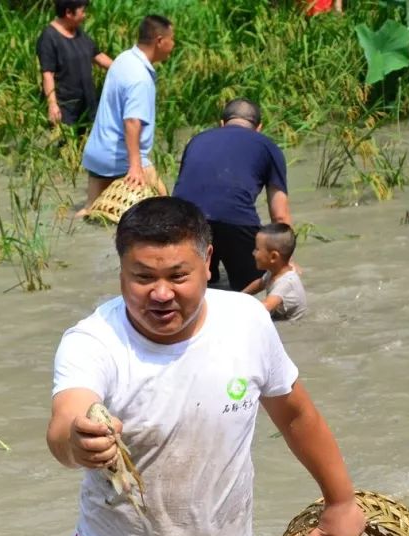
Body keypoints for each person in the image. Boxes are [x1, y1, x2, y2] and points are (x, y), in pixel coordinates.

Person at [46, 197, 365, 536]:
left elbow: (296, 414)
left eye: (178, 275)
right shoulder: (94, 341)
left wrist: (341, 500)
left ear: (208, 260)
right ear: (121, 269)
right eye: (142, 276)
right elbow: (66, 420)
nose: (160, 293)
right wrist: (78, 441)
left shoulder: (245, 323)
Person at [172, 98, 291, 291]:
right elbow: (280, 216)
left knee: (197, 286)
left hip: (185, 221)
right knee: (259, 287)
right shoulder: (268, 146)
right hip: (236, 222)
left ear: (222, 124)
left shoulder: (196, 140)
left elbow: (186, 188)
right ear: (258, 127)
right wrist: (285, 263)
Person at [79, 15, 174, 214]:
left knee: (91, 212)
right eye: (171, 39)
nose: (173, 45)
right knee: (169, 210)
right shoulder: (140, 77)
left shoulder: (123, 59)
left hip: (98, 153)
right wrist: (135, 166)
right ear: (159, 41)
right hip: (122, 158)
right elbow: (132, 121)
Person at [36, 0, 112, 131]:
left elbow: (98, 56)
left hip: (87, 106)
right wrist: (53, 105)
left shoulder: (79, 33)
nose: (85, 15)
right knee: (66, 147)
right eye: (82, 11)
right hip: (66, 109)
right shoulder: (49, 37)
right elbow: (48, 74)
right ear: (69, 13)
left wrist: (123, 67)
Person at [240, 223, 307, 321]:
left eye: (257, 249)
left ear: (273, 257)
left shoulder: (286, 283)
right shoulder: (275, 271)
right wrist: (240, 295)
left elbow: (265, 307)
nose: (253, 253)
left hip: (291, 326)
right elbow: (260, 283)